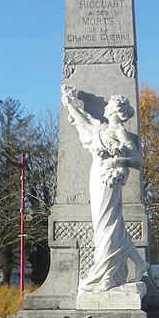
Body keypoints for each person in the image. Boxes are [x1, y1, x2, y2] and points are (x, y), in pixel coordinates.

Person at [61, 84, 148, 292]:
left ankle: (107, 275)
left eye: (109, 104)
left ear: (116, 110)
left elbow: (136, 160)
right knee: (109, 223)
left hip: (109, 178)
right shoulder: (101, 128)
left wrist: (116, 162)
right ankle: (138, 262)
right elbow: (83, 122)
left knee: (106, 225)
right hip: (97, 177)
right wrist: (68, 104)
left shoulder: (118, 131)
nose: (105, 106)